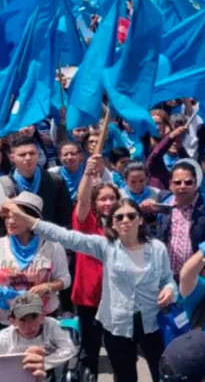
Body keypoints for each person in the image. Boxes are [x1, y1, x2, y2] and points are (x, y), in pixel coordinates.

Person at [1, 198, 177, 382]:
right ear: (113, 224)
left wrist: (170, 289)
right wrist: (27, 220)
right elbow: (65, 236)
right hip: (117, 325)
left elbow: (168, 279)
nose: (126, 220)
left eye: (131, 216)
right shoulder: (106, 246)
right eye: (119, 217)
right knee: (125, 377)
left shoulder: (157, 249)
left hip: (152, 323)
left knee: (162, 375)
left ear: (140, 220)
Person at [71, 154, 121, 378]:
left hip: (118, 301)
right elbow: (81, 202)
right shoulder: (86, 224)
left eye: (112, 198)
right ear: (95, 203)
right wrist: (87, 173)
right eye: (102, 199)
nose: (107, 203)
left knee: (119, 352)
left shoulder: (125, 223)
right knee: (89, 352)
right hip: (89, 298)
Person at [0, 192, 70, 324]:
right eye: (7, 217)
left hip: (43, 318)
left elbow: (65, 279)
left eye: (16, 217)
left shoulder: (52, 247)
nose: (10, 221)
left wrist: (47, 287)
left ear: (31, 220)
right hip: (6, 319)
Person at [0, 137, 72, 231]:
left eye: (32, 153)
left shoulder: (55, 180)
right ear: (12, 158)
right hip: (14, 240)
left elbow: (65, 215)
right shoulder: (3, 184)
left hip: (48, 239)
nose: (28, 158)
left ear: (38, 155)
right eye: (22, 155)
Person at [0, 293, 76, 370]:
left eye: (34, 317)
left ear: (42, 315)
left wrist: (43, 363)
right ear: (13, 321)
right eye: (23, 320)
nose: (29, 327)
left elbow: (69, 349)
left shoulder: (52, 325)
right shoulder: (5, 337)